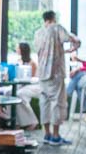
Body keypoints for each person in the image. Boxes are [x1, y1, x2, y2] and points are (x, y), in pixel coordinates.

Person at [33, 10, 79, 145]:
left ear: (44, 19)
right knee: (57, 103)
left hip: (42, 73)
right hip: (55, 73)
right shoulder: (57, 28)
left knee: (44, 102)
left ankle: (46, 134)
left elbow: (44, 50)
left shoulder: (38, 33)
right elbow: (70, 39)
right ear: (54, 18)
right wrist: (75, 44)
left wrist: (62, 50)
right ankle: (56, 135)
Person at [10, 42, 40, 129]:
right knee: (9, 93)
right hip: (21, 84)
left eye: (18, 48)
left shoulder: (32, 63)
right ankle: (14, 121)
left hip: (32, 85)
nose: (16, 50)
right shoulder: (18, 62)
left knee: (19, 95)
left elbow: (31, 78)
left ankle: (32, 121)